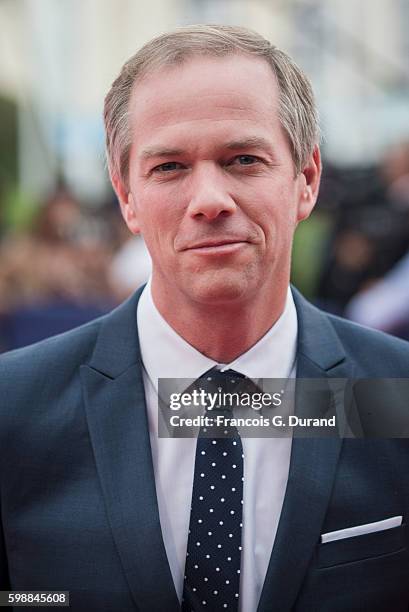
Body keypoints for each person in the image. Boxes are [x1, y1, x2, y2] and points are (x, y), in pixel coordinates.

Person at [1, 25, 409, 612]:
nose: (209, 199)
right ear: (126, 196)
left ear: (307, 179)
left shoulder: (391, 394)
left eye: (243, 159)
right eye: (169, 167)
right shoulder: (14, 408)